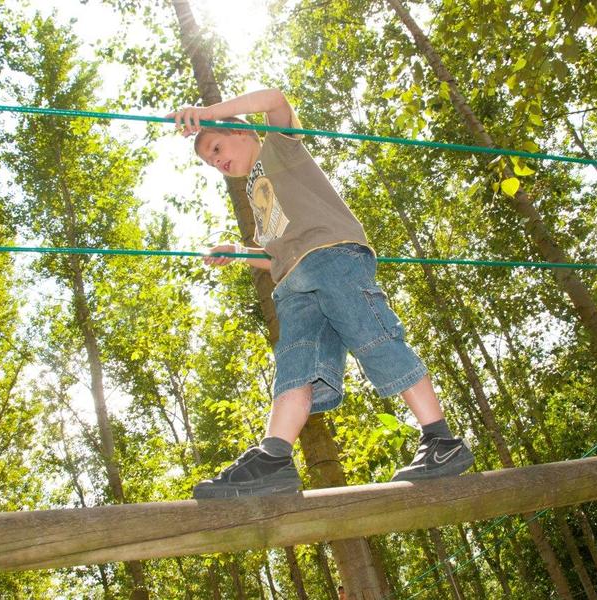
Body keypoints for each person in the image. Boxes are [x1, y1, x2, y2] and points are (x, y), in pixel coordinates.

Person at [167, 89, 473, 499]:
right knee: (295, 362)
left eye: (218, 147)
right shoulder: (255, 197)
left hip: (332, 258)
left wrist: (205, 114)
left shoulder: (280, 147)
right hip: (292, 282)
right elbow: (277, 256)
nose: (217, 161)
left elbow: (274, 98)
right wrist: (240, 253)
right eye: (210, 161)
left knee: (372, 335)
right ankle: (274, 457)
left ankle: (441, 440)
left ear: (241, 132)